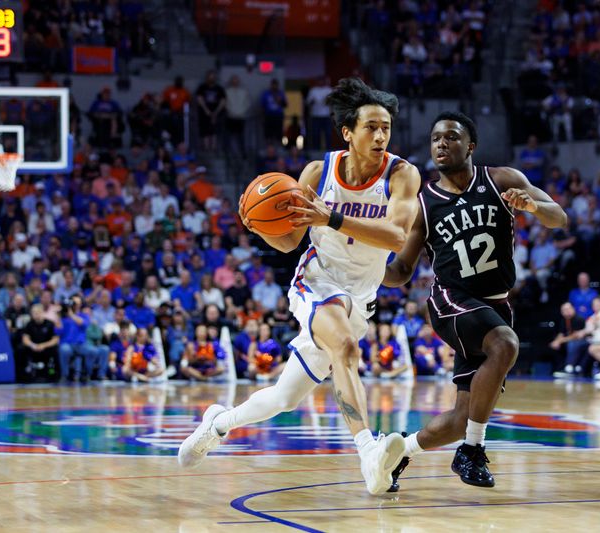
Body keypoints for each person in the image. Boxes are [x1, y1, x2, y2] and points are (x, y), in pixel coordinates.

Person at [178, 78, 421, 496]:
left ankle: (218, 422)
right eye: (371, 127)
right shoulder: (317, 172)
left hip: (360, 298)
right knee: (345, 348)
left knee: (284, 398)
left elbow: (397, 236)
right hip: (317, 282)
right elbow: (290, 241)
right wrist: (256, 226)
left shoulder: (402, 175)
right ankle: (369, 453)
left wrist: (332, 219)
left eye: (386, 127)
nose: (381, 135)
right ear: (348, 132)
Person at [382, 111, 566, 489]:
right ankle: (472, 451)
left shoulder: (502, 180)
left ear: (471, 145)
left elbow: (558, 217)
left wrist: (532, 207)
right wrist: (365, 267)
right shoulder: (425, 203)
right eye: (435, 139)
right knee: (506, 344)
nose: (441, 144)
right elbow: (401, 272)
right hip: (451, 300)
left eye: (450, 137)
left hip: (493, 306)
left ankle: (400, 451)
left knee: (462, 417)